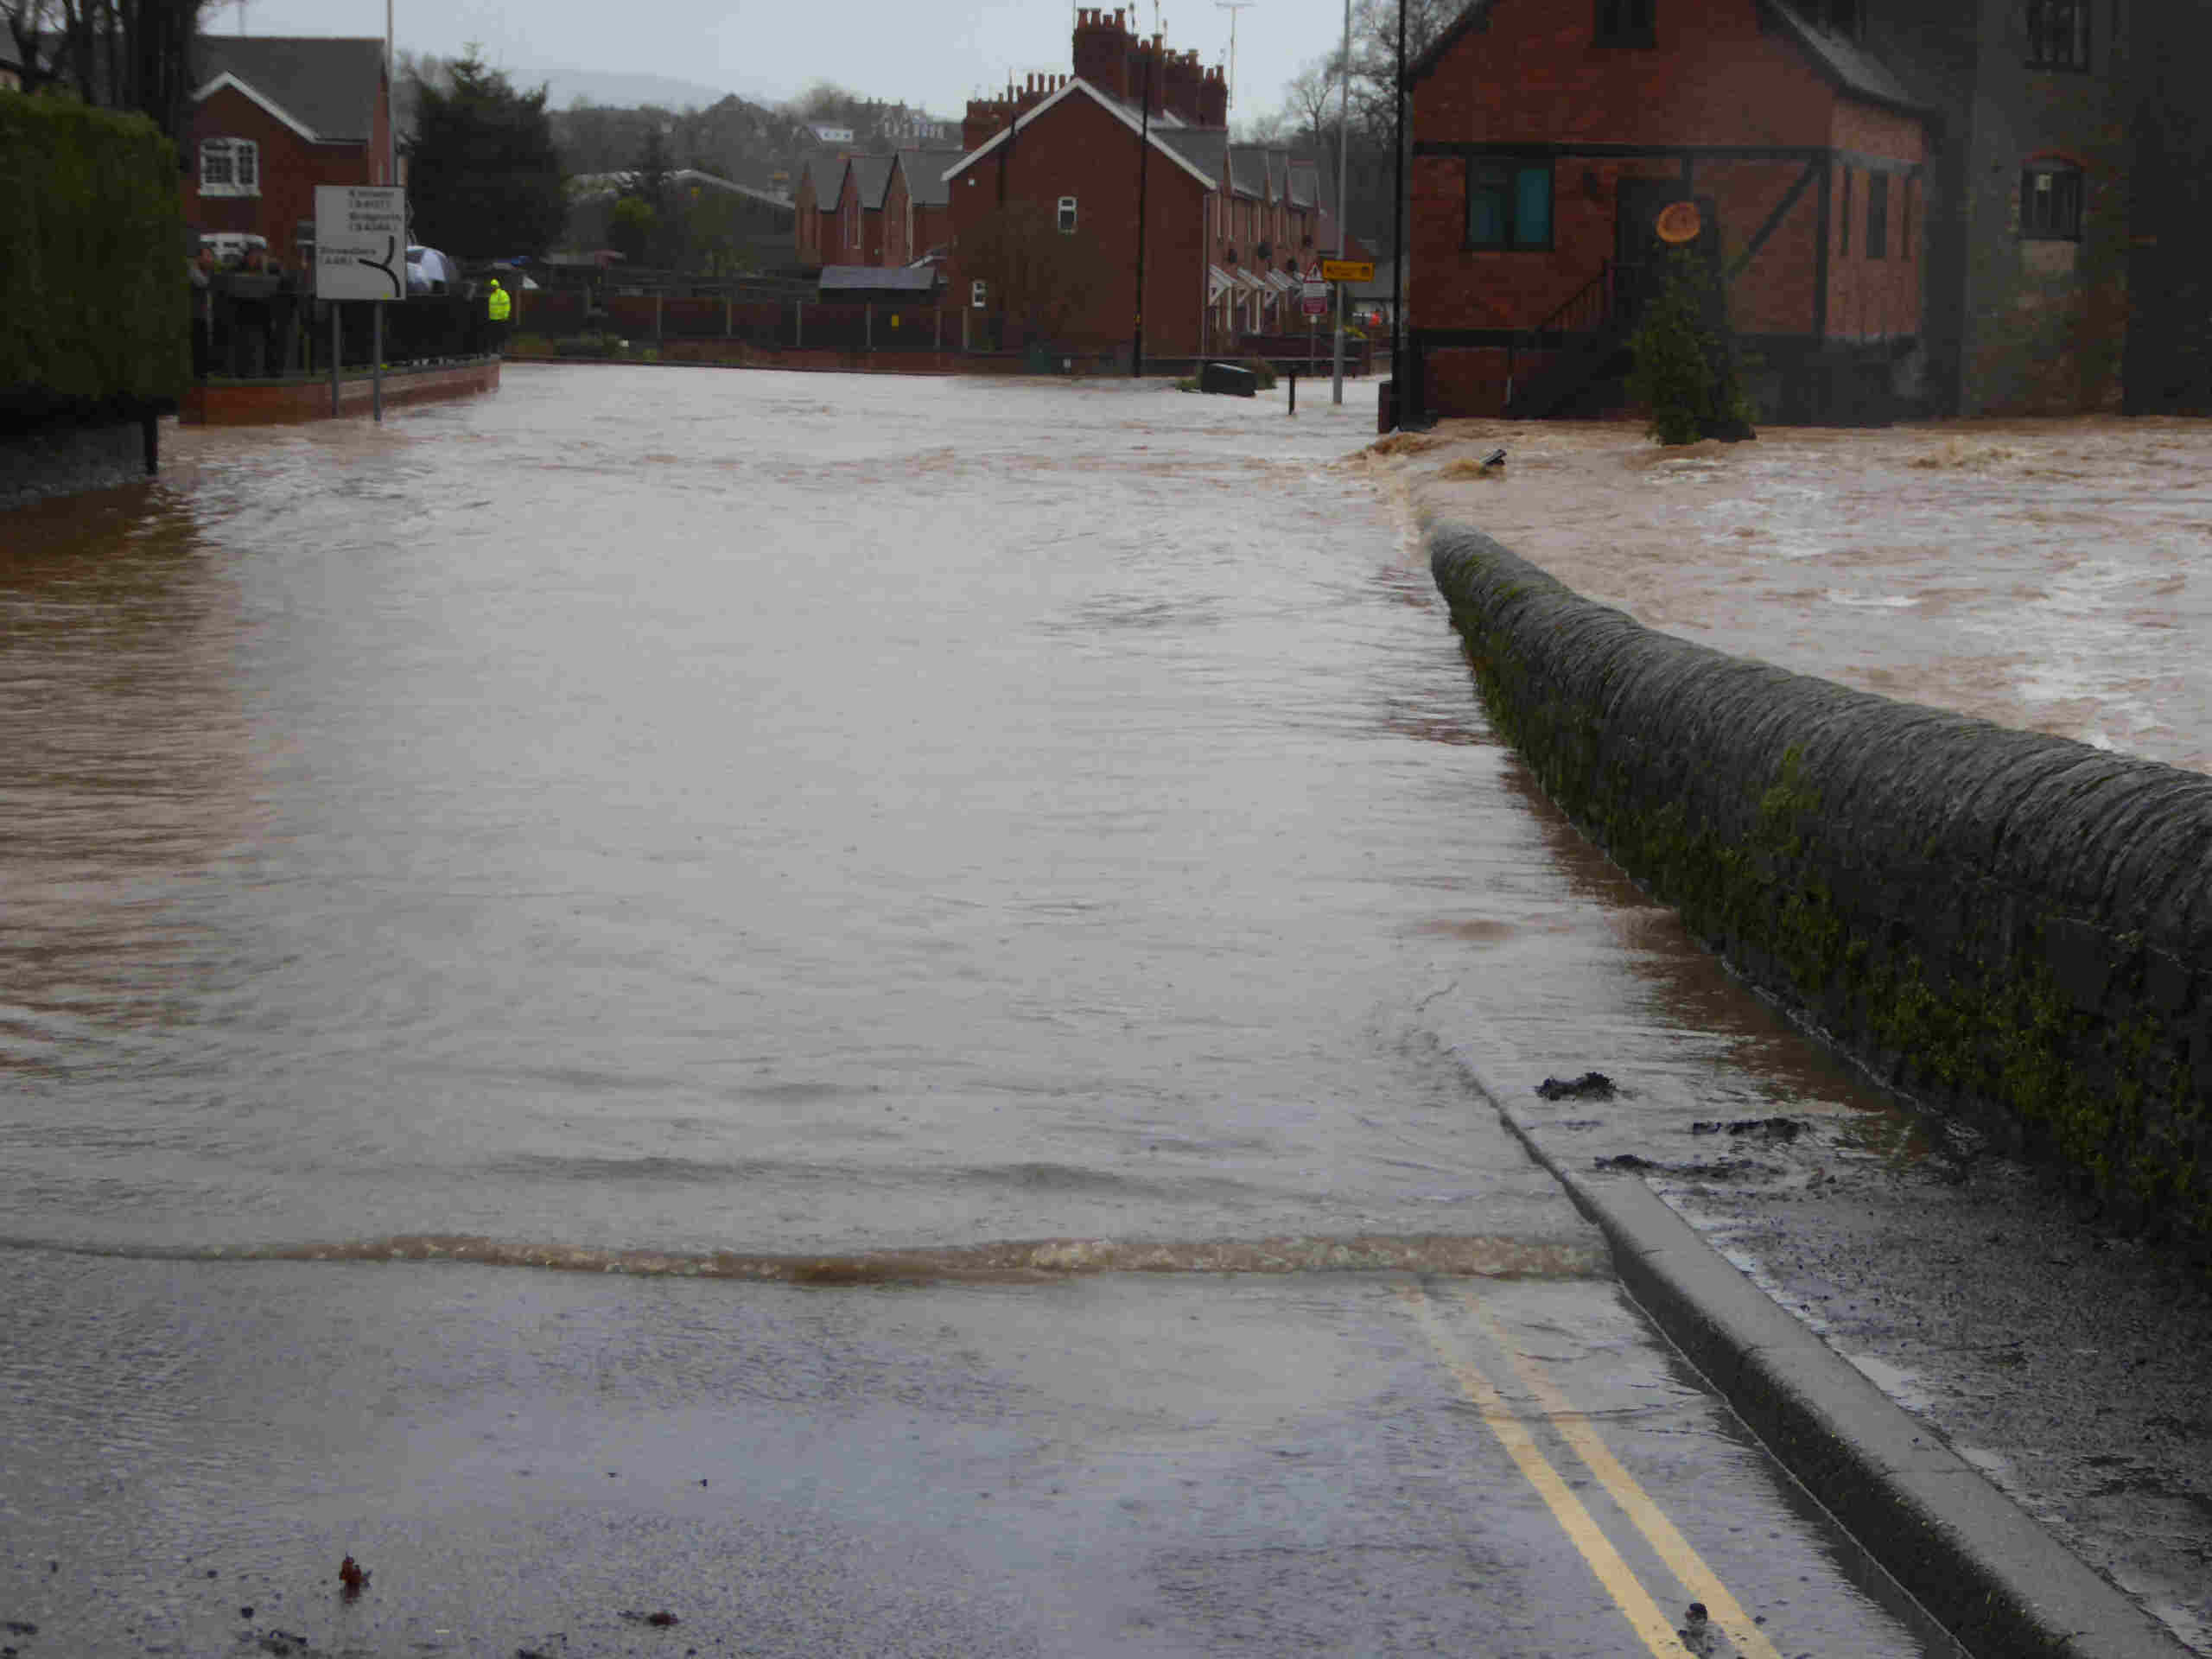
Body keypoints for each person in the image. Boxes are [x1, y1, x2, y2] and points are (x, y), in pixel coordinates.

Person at [485, 276, 512, 355]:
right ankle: (494, 349)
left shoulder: (502, 294)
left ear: (497, 286)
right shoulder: (490, 295)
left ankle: (500, 349)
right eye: (491, 286)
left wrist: (505, 316)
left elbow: (506, 305)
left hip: (500, 318)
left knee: (500, 335)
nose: (491, 288)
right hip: (492, 318)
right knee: (493, 335)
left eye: (493, 286)